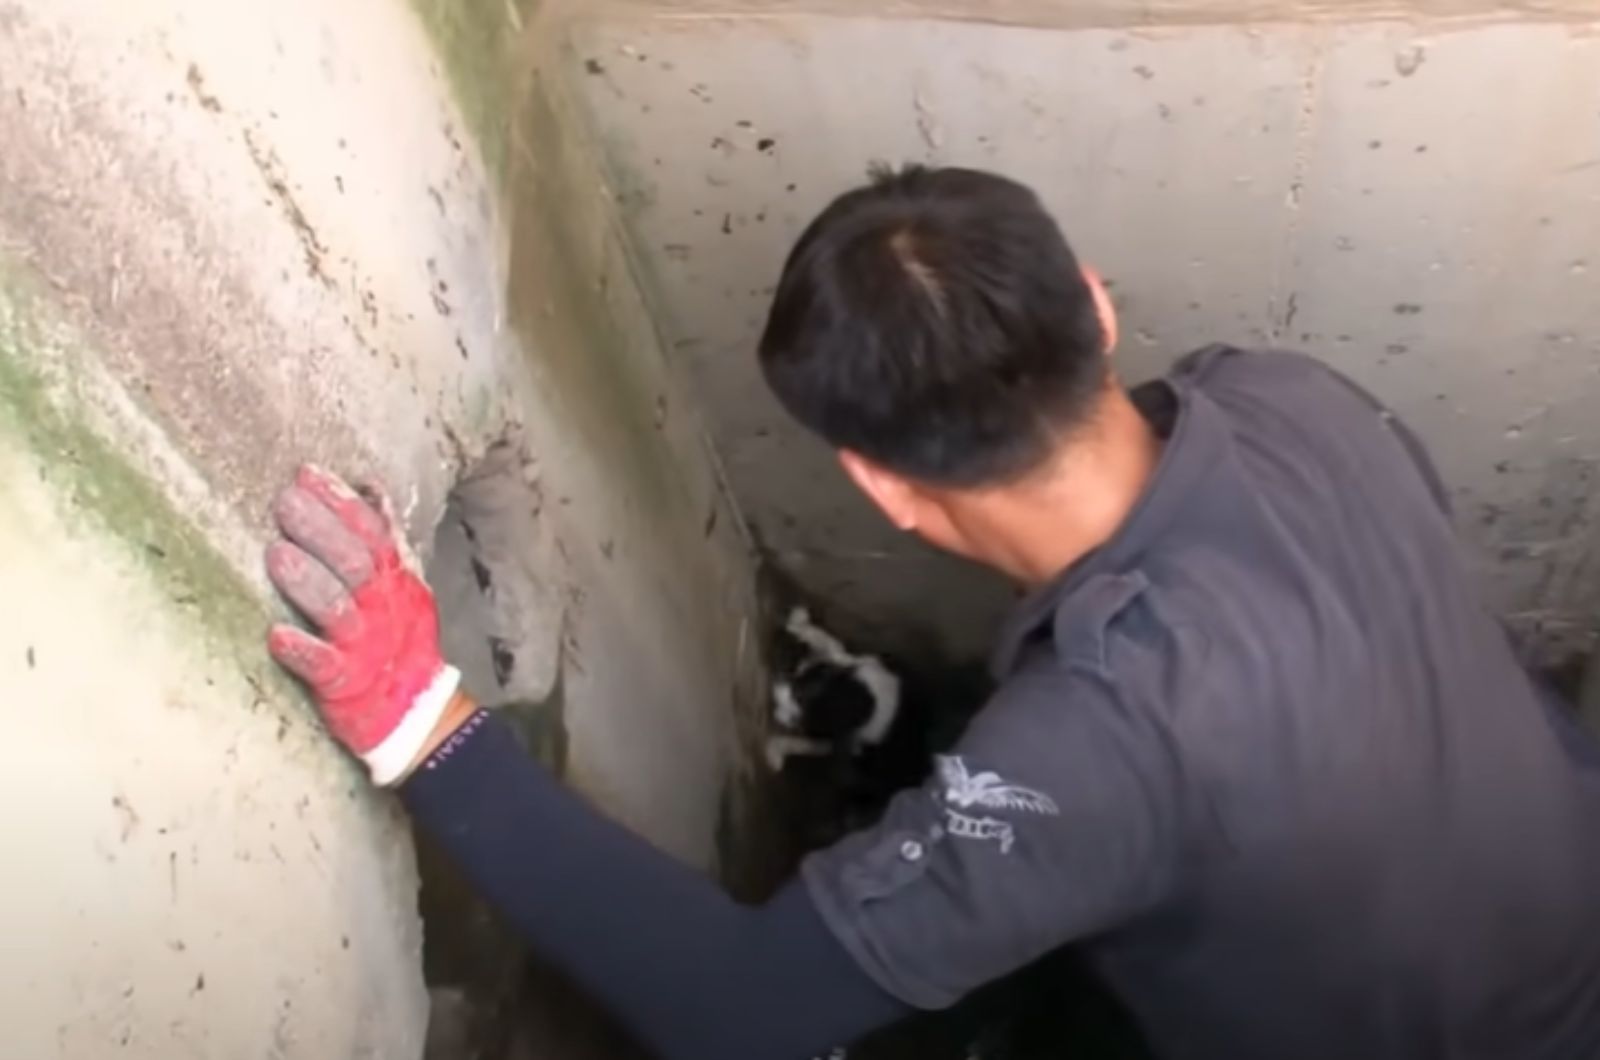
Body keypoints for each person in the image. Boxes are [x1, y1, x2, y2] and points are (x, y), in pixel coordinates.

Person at [263, 166, 1600, 1060]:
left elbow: (748, 1011)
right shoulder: (1287, 398)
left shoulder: (1095, 751)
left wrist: (428, 734)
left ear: (883, 490)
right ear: (1095, 304)